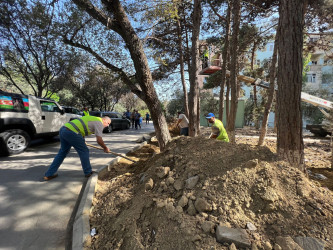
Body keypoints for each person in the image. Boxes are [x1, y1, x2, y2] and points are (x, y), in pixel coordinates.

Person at [43, 116, 111, 181]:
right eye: (108, 123)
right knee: (84, 151)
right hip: (72, 132)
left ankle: (49, 174)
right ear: (104, 120)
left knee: (62, 153)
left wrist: (82, 140)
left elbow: (82, 127)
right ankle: (88, 172)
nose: (108, 125)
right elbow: (99, 140)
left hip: (64, 129)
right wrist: (105, 148)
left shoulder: (93, 118)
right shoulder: (99, 123)